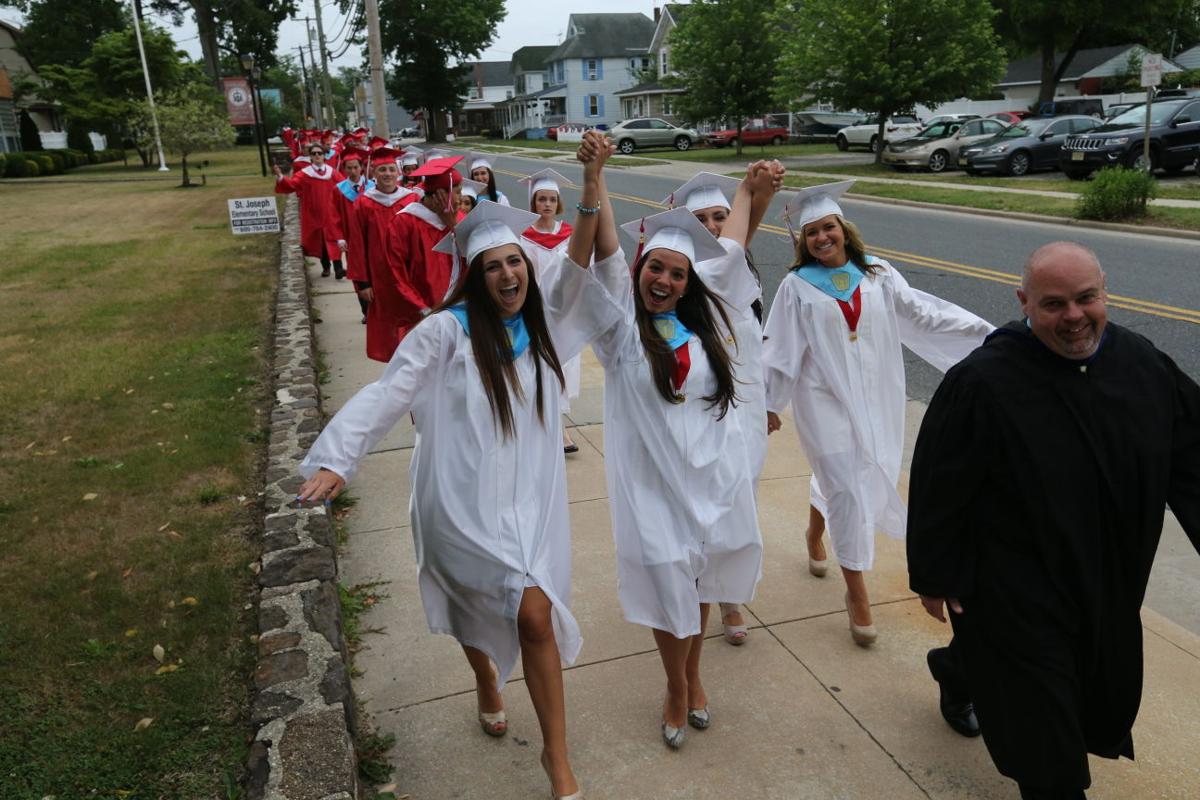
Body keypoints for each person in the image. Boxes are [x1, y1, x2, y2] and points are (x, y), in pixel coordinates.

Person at [295, 138, 626, 800]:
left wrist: (592, 180)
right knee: (479, 601)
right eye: (494, 267)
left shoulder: (549, 328)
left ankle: (556, 758)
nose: (510, 275)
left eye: (516, 262)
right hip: (459, 498)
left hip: (529, 503)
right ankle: (483, 676)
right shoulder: (445, 334)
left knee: (534, 616)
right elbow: (387, 394)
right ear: (472, 278)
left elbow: (580, 258)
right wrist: (339, 456)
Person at [907, 241, 1200, 800]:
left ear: (1104, 291)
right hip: (1014, 586)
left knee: (1058, 673)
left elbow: (1193, 455)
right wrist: (936, 572)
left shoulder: (1140, 363)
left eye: (1086, 299)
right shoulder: (985, 382)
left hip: (1106, 575)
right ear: (1024, 302)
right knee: (1046, 743)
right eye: (1053, 304)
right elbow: (940, 483)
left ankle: (956, 669)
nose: (1073, 317)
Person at [586, 139, 773, 748]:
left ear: (688, 283)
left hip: (709, 477)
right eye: (654, 269)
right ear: (639, 272)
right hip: (651, 485)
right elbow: (608, 244)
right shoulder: (619, 332)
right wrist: (596, 176)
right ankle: (675, 683)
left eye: (676, 273)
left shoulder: (707, 324)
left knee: (698, 581)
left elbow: (734, 248)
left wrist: (748, 192)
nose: (663, 279)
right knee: (669, 581)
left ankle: (693, 674)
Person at [762, 180, 993, 646]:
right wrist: (769, 403)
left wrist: (990, 336)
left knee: (865, 474)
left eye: (829, 228)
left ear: (844, 229)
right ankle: (857, 594)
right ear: (802, 242)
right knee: (847, 486)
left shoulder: (879, 274)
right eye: (812, 233)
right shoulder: (795, 287)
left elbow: (925, 314)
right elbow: (780, 350)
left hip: (877, 397)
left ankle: (814, 530)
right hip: (822, 399)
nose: (822, 238)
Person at [662, 170, 781, 646]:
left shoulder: (738, 265)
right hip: (707, 402)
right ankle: (703, 586)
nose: (713, 225)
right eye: (702, 218)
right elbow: (726, 249)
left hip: (748, 399)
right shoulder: (690, 275)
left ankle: (729, 593)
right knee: (709, 495)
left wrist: (757, 197)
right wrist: (750, 193)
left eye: (720, 217)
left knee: (742, 494)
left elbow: (737, 241)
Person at [519, 168, 580, 454]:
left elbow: (582, 269)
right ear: (533, 203)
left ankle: (557, 425)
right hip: (535, 311)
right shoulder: (524, 237)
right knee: (544, 367)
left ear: (558, 203)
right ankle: (559, 431)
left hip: (564, 312)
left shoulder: (569, 235)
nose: (546, 204)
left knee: (563, 368)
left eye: (551, 199)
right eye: (541, 199)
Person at [387, 157, 467, 341]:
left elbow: (471, 262)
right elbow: (396, 273)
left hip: (458, 314)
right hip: (421, 318)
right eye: (457, 192)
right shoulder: (404, 223)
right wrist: (422, 309)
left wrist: (452, 226)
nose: (461, 198)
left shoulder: (459, 219)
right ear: (440, 194)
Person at [353, 146, 420, 361]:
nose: (387, 174)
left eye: (391, 169)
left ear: (398, 172)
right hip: (380, 277)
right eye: (382, 170)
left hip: (410, 274)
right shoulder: (363, 203)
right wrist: (363, 283)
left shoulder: (411, 200)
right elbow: (357, 244)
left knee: (414, 321)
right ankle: (395, 367)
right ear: (373, 173)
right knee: (388, 326)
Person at [273, 142, 346, 278]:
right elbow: (292, 184)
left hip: (330, 212)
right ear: (310, 157)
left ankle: (339, 269)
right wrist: (281, 177)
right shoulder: (305, 174)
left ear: (324, 156)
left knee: (334, 238)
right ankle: (326, 267)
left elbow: (344, 187)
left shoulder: (332, 173)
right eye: (314, 154)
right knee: (321, 242)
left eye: (320, 153)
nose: (317, 156)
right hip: (314, 213)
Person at [332, 148, 374, 322]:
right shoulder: (339, 190)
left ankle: (376, 308)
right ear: (344, 169)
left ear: (361, 168)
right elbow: (334, 215)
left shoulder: (373, 187)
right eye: (349, 168)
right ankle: (366, 311)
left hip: (373, 237)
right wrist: (340, 237)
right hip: (352, 240)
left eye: (355, 167)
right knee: (359, 274)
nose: (353, 171)